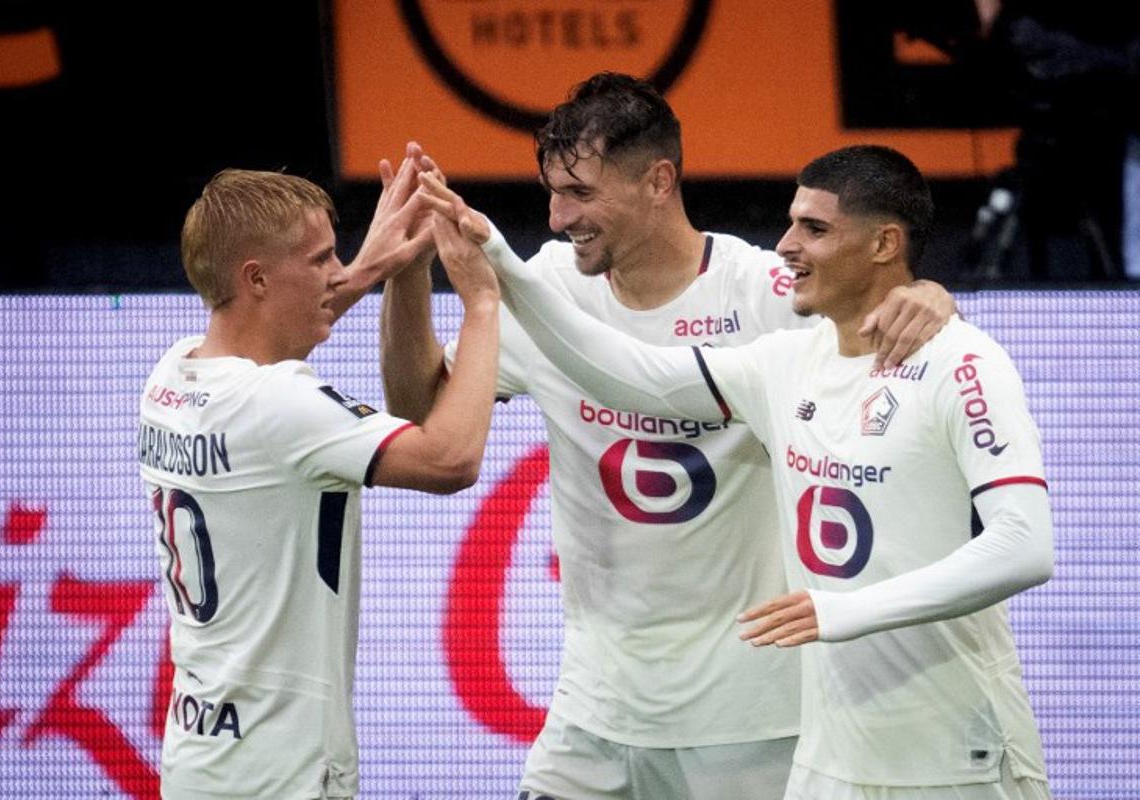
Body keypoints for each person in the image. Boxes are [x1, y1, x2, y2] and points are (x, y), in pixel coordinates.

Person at [380, 73, 956, 800]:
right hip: (594, 708)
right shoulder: (550, 284)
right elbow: (420, 409)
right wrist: (407, 276)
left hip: (747, 714)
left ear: (659, 181)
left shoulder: (760, 292)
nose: (558, 219)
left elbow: (893, 331)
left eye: (582, 195)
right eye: (552, 193)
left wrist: (928, 297)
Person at [139, 152, 500, 799]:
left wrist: (384, 267)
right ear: (255, 278)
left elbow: (276, 338)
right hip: (284, 769)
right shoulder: (280, 404)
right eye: (321, 261)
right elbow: (451, 459)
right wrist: (481, 304)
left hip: (200, 760)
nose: (337, 275)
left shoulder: (171, 377)